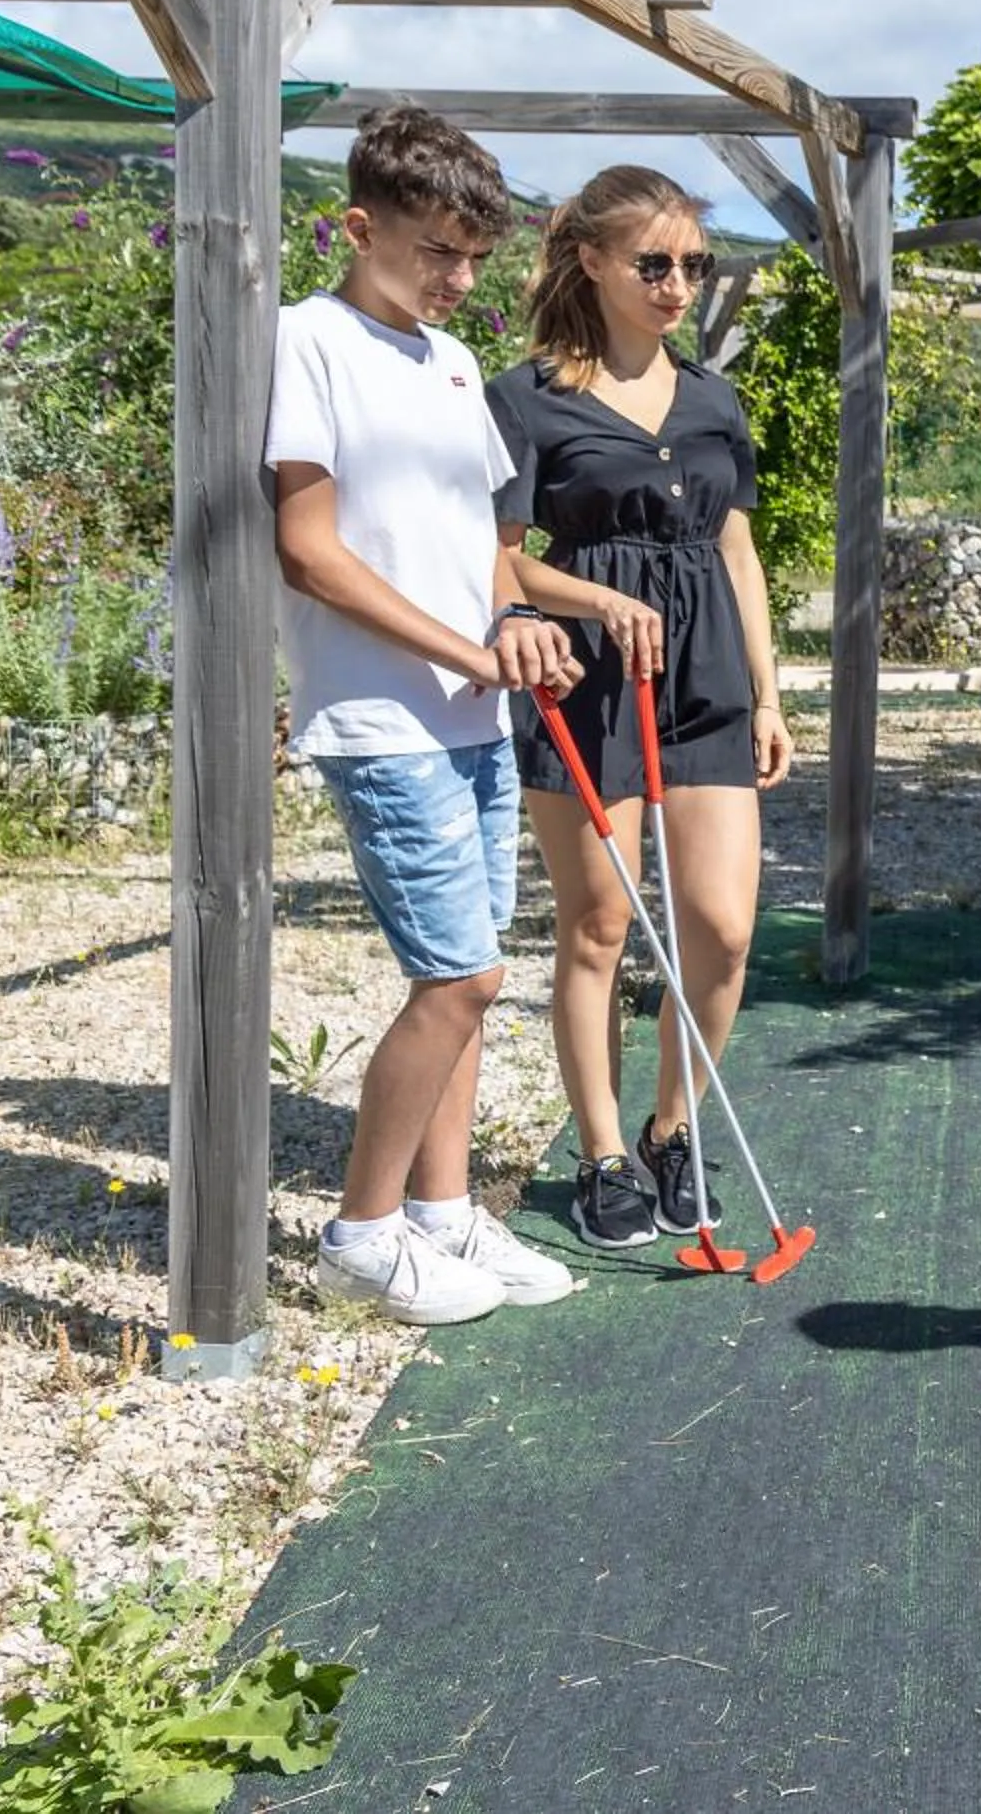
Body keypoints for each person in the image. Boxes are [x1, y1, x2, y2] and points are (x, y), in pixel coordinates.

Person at [268, 105, 585, 1326]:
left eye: (473, 259)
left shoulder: (451, 366)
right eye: (435, 254)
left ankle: (445, 1219)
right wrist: (467, 647)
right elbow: (311, 553)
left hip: (470, 712)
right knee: (453, 978)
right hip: (383, 718)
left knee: (478, 973)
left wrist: (513, 628)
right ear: (358, 226)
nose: (460, 281)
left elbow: (481, 552)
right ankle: (362, 1232)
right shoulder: (309, 342)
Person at [489, 167, 791, 1254]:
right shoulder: (526, 397)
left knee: (722, 928)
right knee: (600, 926)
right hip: (588, 681)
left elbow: (737, 548)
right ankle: (604, 1154)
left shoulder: (713, 395)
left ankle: (674, 1130)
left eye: (693, 266)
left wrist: (766, 689)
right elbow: (501, 566)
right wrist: (599, 597)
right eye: (653, 264)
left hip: (705, 677)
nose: (676, 286)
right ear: (592, 264)